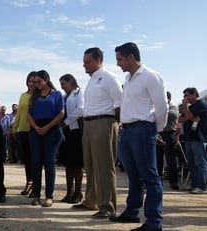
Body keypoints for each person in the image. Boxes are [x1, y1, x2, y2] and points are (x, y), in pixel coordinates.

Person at [110, 42, 168, 231]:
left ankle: (153, 222)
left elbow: (161, 106)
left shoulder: (150, 76)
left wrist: (155, 130)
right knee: (133, 176)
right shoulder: (128, 79)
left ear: (131, 57)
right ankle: (132, 212)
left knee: (150, 176)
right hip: (126, 131)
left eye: (120, 59)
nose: (118, 63)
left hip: (143, 129)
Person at [73, 47, 122, 219]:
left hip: (103, 122)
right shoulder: (93, 80)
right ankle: (90, 200)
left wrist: (115, 125)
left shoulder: (108, 77)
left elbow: (119, 104)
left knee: (104, 166)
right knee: (91, 165)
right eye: (84, 62)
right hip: (89, 124)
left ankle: (107, 206)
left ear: (98, 60)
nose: (84, 65)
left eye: (87, 62)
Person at [27, 70, 64, 208]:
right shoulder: (34, 97)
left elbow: (61, 113)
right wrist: (36, 127)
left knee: (49, 163)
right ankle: (36, 194)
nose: (36, 85)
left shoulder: (56, 94)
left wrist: (47, 127)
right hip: (36, 131)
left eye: (39, 82)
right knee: (36, 163)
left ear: (47, 79)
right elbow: (28, 115)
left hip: (52, 131)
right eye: (35, 82)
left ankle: (49, 196)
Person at [58, 73, 84, 204]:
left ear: (71, 82)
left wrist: (66, 121)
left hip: (75, 131)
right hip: (65, 133)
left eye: (64, 84)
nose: (62, 87)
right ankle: (69, 192)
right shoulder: (64, 96)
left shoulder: (79, 93)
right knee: (68, 164)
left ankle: (78, 192)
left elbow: (81, 109)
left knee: (77, 164)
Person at [12, 71, 37, 196]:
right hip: (22, 130)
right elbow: (19, 114)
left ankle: (35, 185)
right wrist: (14, 128)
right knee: (26, 158)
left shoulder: (39, 96)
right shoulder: (23, 95)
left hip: (34, 130)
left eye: (34, 81)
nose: (32, 84)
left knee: (35, 159)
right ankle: (29, 182)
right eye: (30, 81)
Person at [179, 87, 207, 194]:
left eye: (187, 95)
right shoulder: (191, 107)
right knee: (191, 163)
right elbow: (181, 119)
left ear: (194, 94)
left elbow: (188, 115)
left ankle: (202, 186)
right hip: (189, 138)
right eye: (184, 95)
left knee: (200, 162)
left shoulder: (201, 105)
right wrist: (190, 116)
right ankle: (194, 184)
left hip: (199, 138)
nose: (185, 98)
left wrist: (186, 109)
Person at [157, 91, 179, 190]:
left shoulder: (173, 107)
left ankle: (174, 182)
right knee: (158, 159)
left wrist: (161, 110)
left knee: (171, 160)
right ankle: (158, 182)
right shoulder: (159, 108)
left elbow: (172, 115)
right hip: (159, 134)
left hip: (169, 134)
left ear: (168, 99)